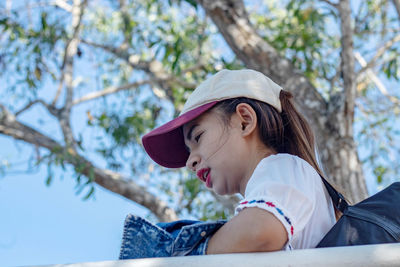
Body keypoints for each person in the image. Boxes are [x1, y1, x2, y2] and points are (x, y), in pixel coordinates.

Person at [142, 69, 336, 254]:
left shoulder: (285, 166)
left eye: (198, 137)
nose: (190, 162)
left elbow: (259, 231)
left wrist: (187, 254)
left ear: (244, 120)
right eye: (188, 151)